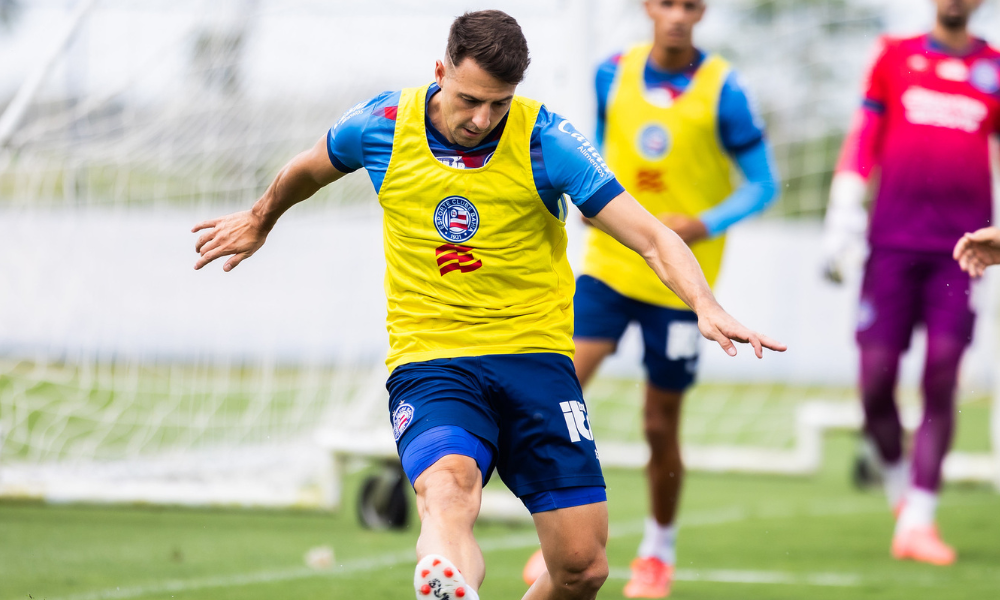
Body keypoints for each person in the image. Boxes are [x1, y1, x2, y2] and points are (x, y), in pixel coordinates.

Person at [193, 10, 784, 600]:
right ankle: (444, 584)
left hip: (536, 358)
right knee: (449, 489)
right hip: (433, 358)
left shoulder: (547, 140)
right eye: (469, 99)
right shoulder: (381, 125)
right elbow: (306, 168)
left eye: (498, 104)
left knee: (583, 567)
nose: (482, 119)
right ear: (439, 71)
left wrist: (704, 303)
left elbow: (652, 236)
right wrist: (258, 219)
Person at [521, 1, 778, 597]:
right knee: (560, 391)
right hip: (610, 268)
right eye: (667, 2)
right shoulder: (611, 73)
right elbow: (593, 155)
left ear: (702, 12)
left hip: (680, 285)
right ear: (648, 9)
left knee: (659, 425)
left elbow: (763, 184)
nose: (678, 15)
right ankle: (559, 542)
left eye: (690, 5)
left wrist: (702, 223)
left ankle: (658, 549)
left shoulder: (725, 90)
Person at [822, 0, 999, 567]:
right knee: (874, 383)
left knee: (942, 375)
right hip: (891, 248)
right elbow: (863, 136)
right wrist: (843, 212)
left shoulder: (994, 69)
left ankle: (921, 515)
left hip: (962, 253)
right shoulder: (893, 57)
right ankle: (903, 490)